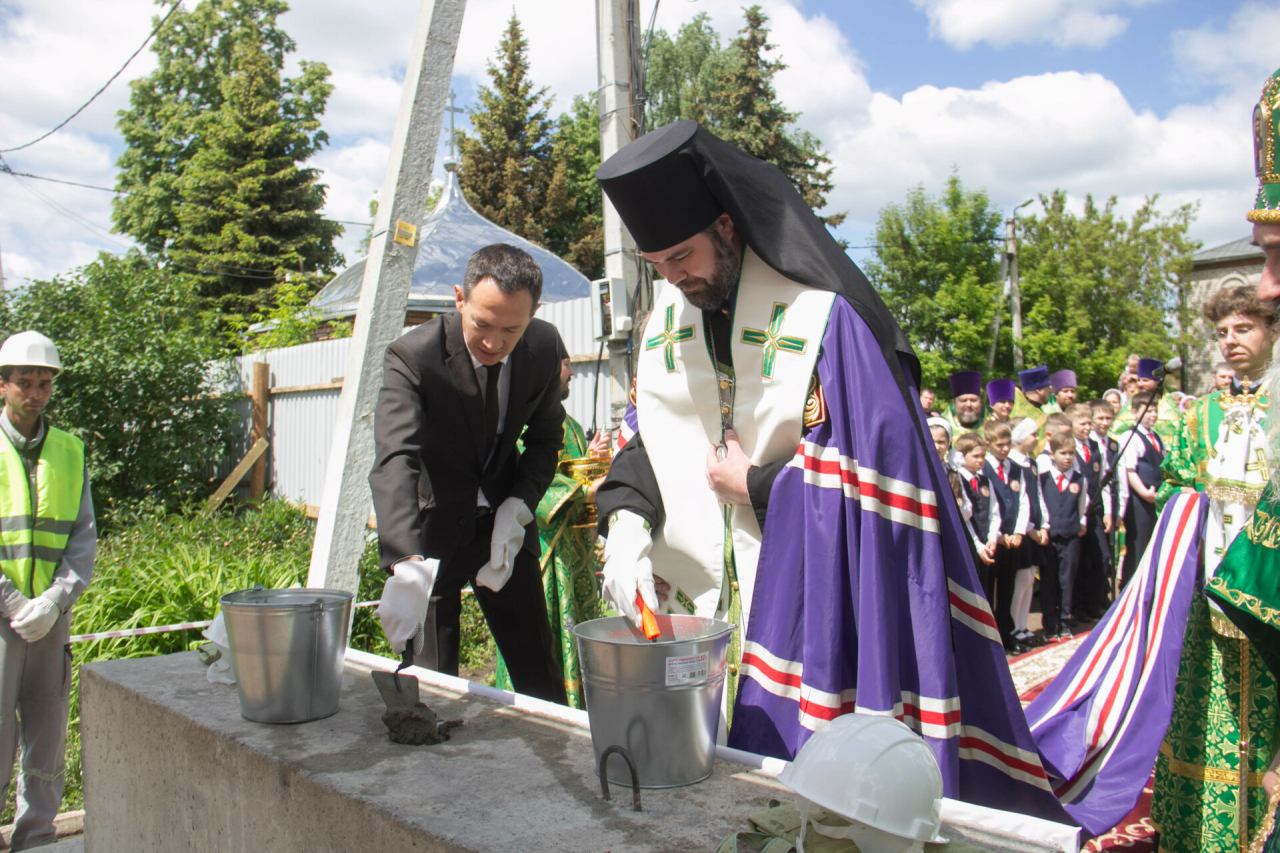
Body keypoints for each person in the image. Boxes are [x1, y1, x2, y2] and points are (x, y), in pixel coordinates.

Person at [590, 120, 1062, 817]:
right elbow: (653, 437)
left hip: (813, 599)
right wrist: (627, 521)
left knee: (808, 802)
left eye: (682, 255)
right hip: (708, 604)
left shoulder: (823, 317)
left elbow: (880, 480)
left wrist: (754, 486)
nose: (675, 279)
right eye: (656, 264)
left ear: (727, 226)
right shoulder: (671, 313)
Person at [371, 243, 568, 705]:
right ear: (460, 299)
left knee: (540, 679)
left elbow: (546, 438)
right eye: (482, 323)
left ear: (534, 314)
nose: (494, 343)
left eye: (511, 329)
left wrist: (519, 505)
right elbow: (396, 457)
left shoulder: (542, 347)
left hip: (504, 529)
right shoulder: (412, 357)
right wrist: (404, 560)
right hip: (433, 535)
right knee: (431, 691)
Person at [0, 332, 95, 851]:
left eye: (44, 383)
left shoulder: (70, 451)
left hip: (50, 619)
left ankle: (35, 839)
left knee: (48, 733)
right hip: (3, 618)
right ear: (3, 385)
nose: (35, 394)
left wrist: (56, 601)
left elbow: (83, 537)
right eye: (24, 383)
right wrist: (15, 604)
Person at [493, 341, 609, 707]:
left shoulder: (569, 424)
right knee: (541, 650)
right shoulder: (519, 421)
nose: (571, 372)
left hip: (575, 558)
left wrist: (592, 459)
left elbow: (569, 470)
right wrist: (587, 491)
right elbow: (530, 486)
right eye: (565, 364)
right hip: (543, 558)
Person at [982, 420, 1029, 653]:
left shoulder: (1016, 469)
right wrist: (998, 536)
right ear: (989, 444)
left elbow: (1023, 501)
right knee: (988, 588)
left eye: (1007, 444)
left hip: (1012, 539)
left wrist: (1019, 531)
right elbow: (988, 508)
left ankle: (1007, 633)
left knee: (1007, 588)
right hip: (992, 540)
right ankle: (988, 637)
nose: (1004, 449)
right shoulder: (984, 468)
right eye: (999, 445)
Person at [1038, 432, 1088, 641]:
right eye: (1063, 453)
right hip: (1050, 536)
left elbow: (1081, 506)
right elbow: (1040, 504)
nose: (1067, 457)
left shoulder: (1080, 480)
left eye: (1071, 453)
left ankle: (1065, 620)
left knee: (1067, 579)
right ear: (1052, 454)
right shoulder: (1043, 478)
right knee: (1049, 580)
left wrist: (1079, 523)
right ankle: (1050, 623)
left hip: (1070, 535)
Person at [1066, 402, 1111, 623]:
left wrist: (1108, 511)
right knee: (1078, 560)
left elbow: (1104, 481)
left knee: (1101, 556)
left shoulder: (1096, 447)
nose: (1087, 428)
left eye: (1088, 423)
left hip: (1094, 510)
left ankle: (1094, 604)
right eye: (1082, 424)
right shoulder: (1068, 448)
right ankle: (1077, 606)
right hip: (1075, 511)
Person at [1008, 418, 1047, 647]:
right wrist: (1029, 529)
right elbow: (1018, 501)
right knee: (1021, 579)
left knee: (1031, 577)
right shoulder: (1012, 463)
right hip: (1022, 529)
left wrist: (1044, 525)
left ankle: (1023, 626)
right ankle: (1014, 627)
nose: (1037, 438)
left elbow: (1038, 495)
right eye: (1033, 434)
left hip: (1035, 528)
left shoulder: (1032, 463)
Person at [1117, 391, 1162, 588]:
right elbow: (1129, 470)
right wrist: (1144, 492)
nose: (1153, 415)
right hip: (1139, 499)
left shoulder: (1156, 437)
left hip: (1154, 498)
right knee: (1137, 544)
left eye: (1155, 411)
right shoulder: (1130, 436)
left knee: (1151, 543)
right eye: (1148, 411)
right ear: (1135, 412)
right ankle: (1130, 587)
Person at [957, 431, 999, 581]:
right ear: (962, 456)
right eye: (975, 456)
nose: (980, 460)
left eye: (983, 456)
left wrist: (992, 538)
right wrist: (978, 545)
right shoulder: (957, 480)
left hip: (986, 543)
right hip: (968, 544)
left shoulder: (985, 481)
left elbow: (994, 512)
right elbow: (963, 518)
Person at [1011, 366, 1054, 437]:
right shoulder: (1031, 417)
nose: (1050, 391)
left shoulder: (1017, 410)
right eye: (1048, 388)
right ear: (1039, 390)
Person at [942, 370, 985, 438]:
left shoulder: (992, 426)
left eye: (973, 400)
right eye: (963, 401)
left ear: (980, 402)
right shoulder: (942, 429)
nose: (969, 405)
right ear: (954, 403)